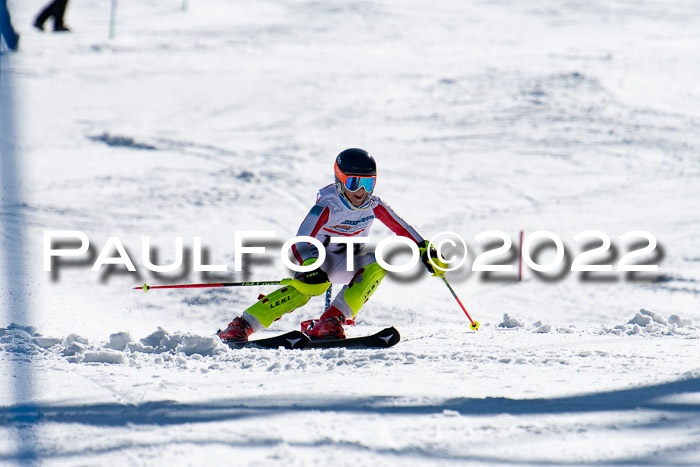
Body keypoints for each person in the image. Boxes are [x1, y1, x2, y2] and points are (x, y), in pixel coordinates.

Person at [218, 148, 447, 342]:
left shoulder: (374, 205)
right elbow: (299, 242)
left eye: (368, 183)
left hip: (346, 262)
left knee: (379, 261)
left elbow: (402, 229)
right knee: (312, 289)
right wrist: (309, 266)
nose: (361, 191)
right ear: (340, 179)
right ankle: (241, 325)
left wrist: (425, 249)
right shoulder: (328, 205)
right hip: (315, 262)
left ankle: (330, 321)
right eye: (354, 182)